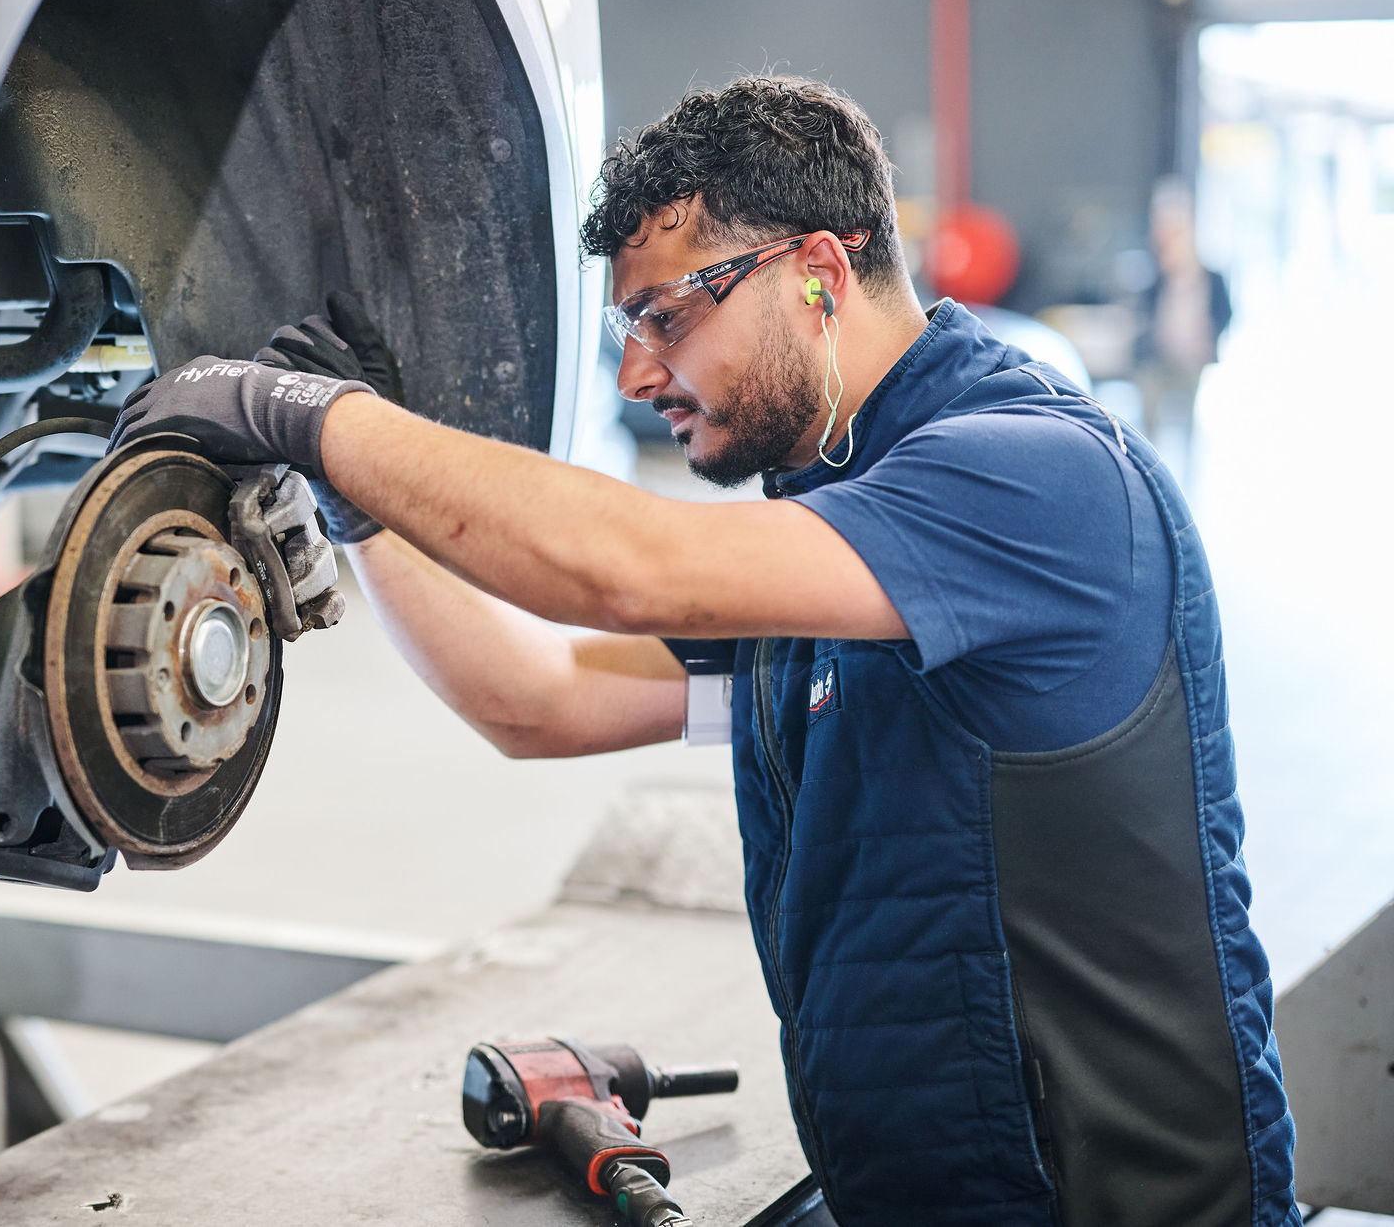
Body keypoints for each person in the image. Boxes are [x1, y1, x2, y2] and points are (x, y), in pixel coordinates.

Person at [112, 76, 1296, 1227]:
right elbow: (538, 698)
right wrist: (356, 509)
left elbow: (629, 571)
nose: (638, 373)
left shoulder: (1030, 477)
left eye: (667, 315)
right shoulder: (833, 536)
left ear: (818, 273)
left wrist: (299, 412)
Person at [1134, 176, 1232, 470]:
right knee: (1150, 412)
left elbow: (1224, 312)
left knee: (1189, 416)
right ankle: (1150, 465)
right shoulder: (1157, 278)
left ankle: (1190, 467)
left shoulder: (1210, 277)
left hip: (1192, 357)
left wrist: (1208, 339)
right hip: (1158, 356)